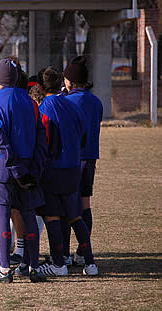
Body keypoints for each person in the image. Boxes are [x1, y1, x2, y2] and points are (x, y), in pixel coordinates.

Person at [0, 58, 47, 283]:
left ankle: (5, 269)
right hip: (28, 167)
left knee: (2, 216)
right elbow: (40, 138)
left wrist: (15, 168)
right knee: (28, 215)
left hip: (2, 169)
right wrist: (34, 169)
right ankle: (34, 267)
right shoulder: (31, 103)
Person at [37, 66, 98, 277]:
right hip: (74, 167)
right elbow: (83, 134)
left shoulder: (45, 107)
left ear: (42, 86)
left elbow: (44, 140)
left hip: (54, 169)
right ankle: (90, 263)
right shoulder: (73, 105)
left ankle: (58, 263)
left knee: (52, 216)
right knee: (75, 216)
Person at [63, 56, 103, 266]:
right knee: (85, 205)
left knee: (65, 207)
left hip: (70, 160)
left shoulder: (66, 102)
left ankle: (63, 254)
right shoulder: (96, 102)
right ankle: (82, 251)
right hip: (89, 159)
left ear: (69, 80)